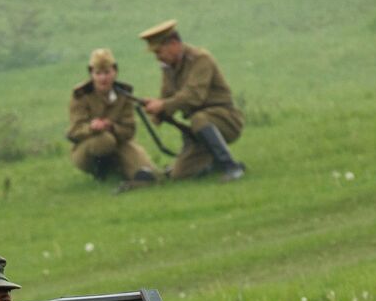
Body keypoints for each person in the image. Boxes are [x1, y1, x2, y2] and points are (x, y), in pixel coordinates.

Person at [137, 20, 245, 181]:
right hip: (198, 128)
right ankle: (211, 164)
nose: (157, 57)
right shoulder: (168, 67)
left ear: (173, 44)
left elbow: (194, 96)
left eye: (159, 52)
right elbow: (167, 96)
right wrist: (157, 111)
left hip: (225, 119)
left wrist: (163, 105)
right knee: (179, 175)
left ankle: (231, 166)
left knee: (199, 118)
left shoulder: (201, 59)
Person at [67, 48, 158, 187]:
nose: (103, 78)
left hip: (120, 142)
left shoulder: (124, 95)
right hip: (87, 147)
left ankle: (124, 173)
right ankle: (102, 174)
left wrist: (112, 127)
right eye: (98, 73)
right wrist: (92, 127)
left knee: (150, 175)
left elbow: (129, 130)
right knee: (105, 140)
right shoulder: (81, 95)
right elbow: (74, 131)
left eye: (107, 72)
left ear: (115, 72)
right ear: (91, 74)